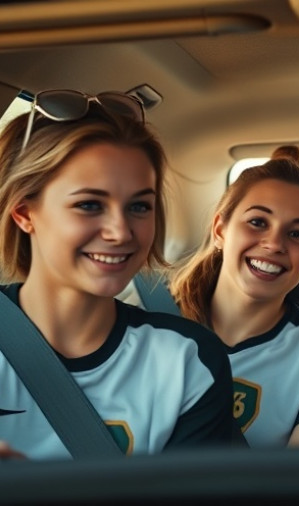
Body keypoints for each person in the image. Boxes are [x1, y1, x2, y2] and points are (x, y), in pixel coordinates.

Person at [0, 90, 235, 460]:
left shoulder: (186, 359)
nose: (121, 232)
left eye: (139, 206)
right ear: (24, 214)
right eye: (89, 205)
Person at [170, 146, 299, 447]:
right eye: (258, 222)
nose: (274, 244)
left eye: (297, 234)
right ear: (220, 230)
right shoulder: (149, 322)